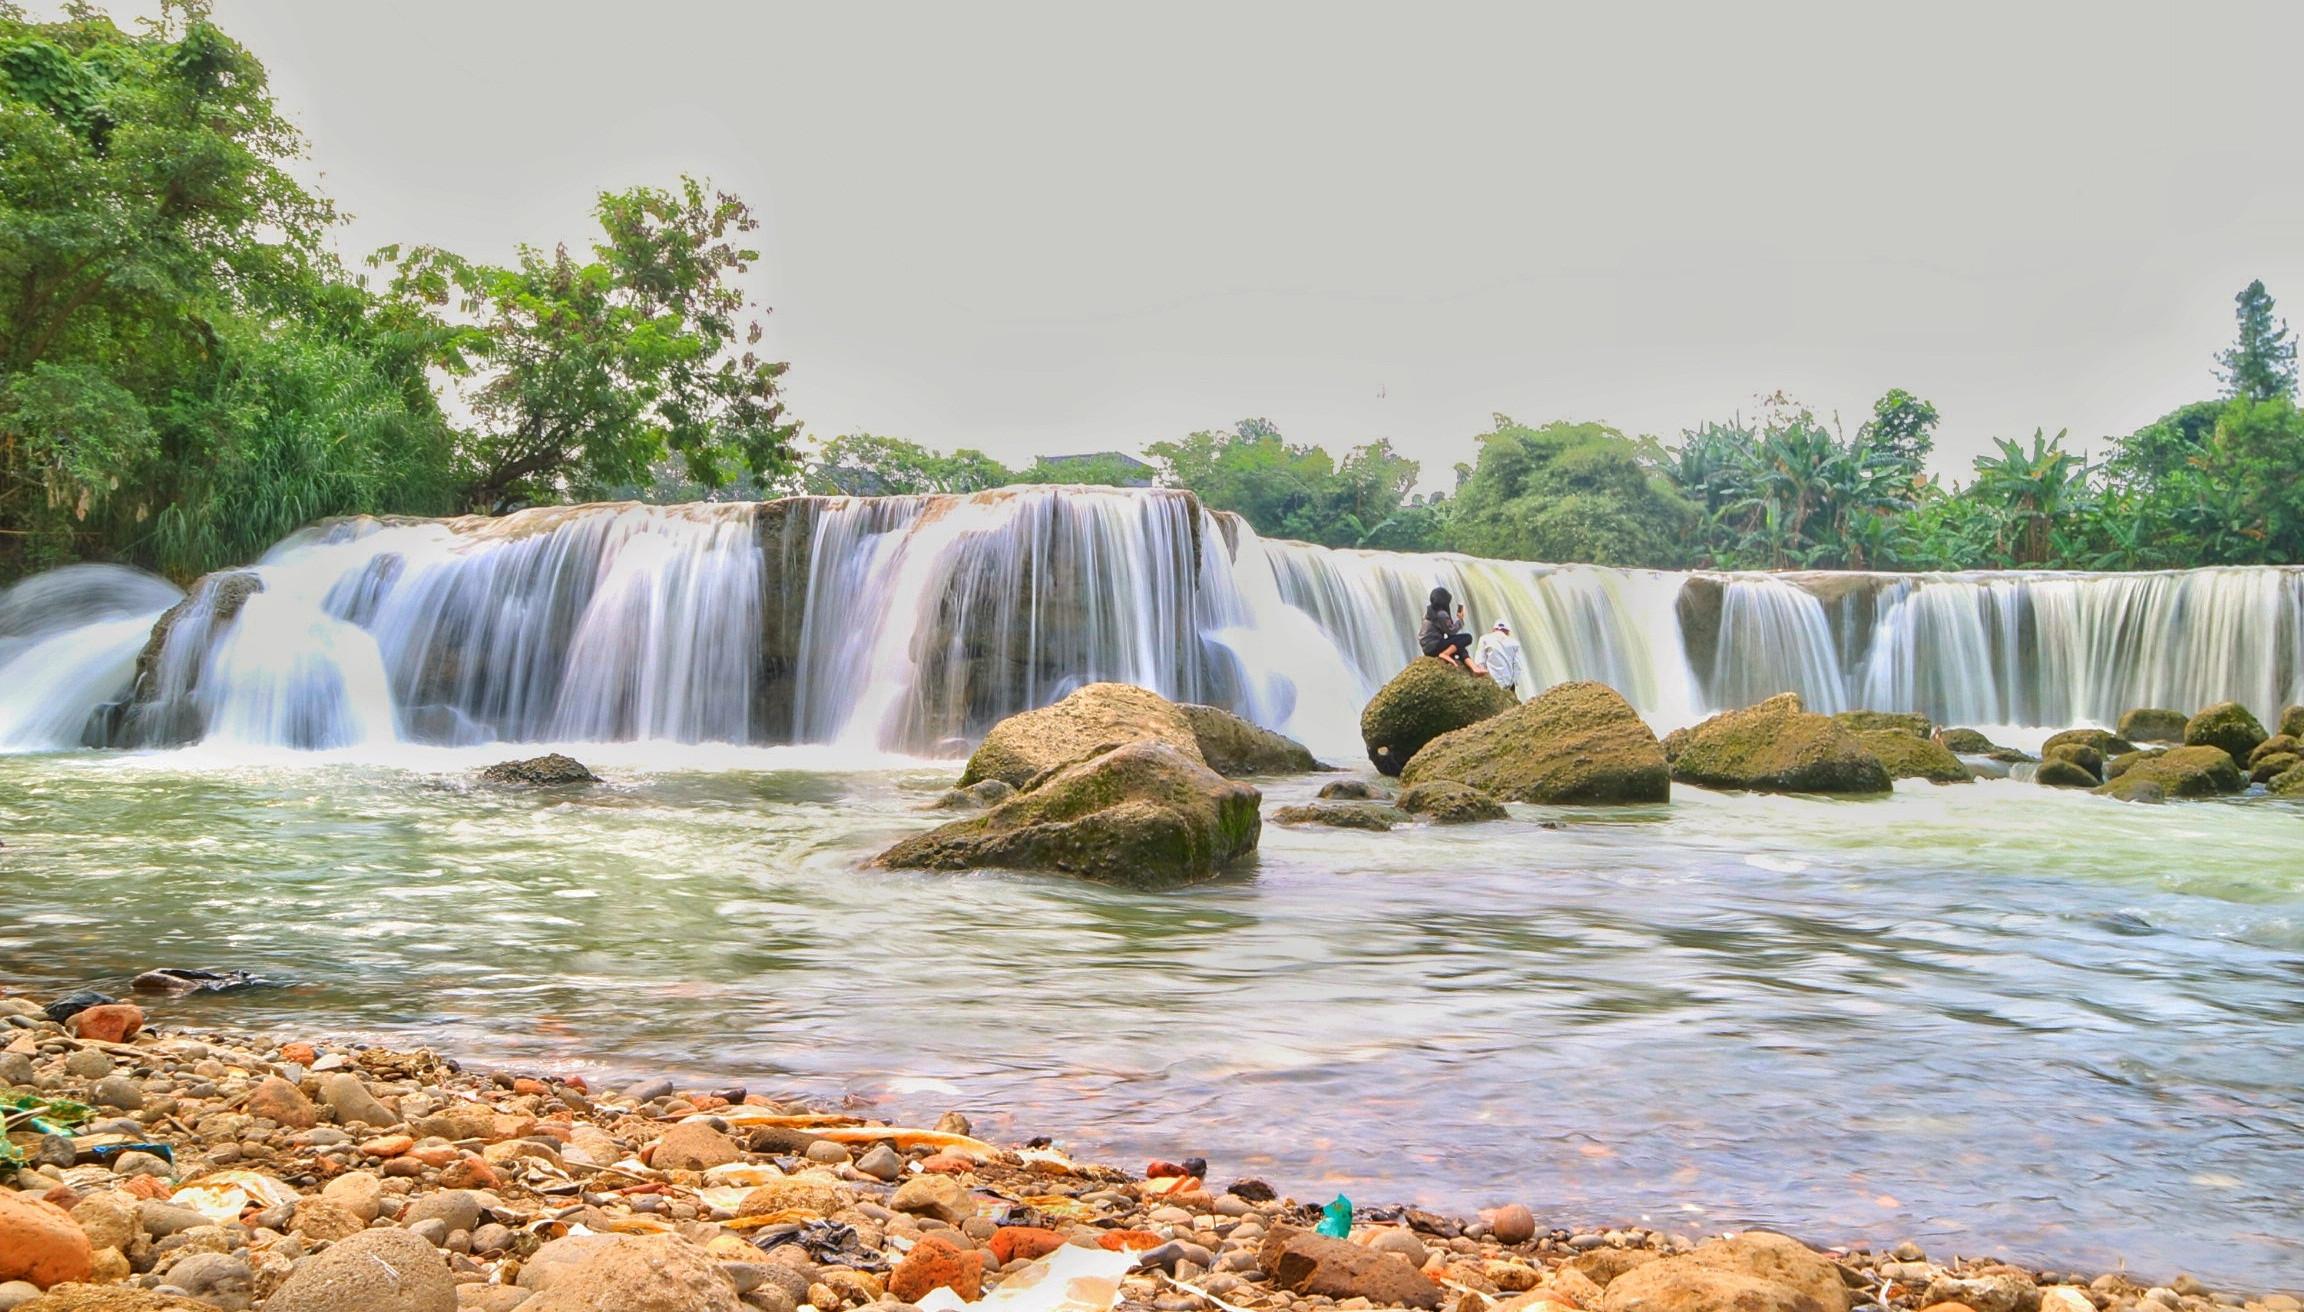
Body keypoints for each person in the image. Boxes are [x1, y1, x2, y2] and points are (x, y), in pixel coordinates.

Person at [1418, 586, 1482, 672]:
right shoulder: (1441, 614)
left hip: (1427, 649)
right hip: (1435, 647)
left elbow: (1448, 632)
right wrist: (1460, 620)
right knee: (1467, 638)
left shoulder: (1429, 611)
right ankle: (1445, 654)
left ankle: (1474, 668)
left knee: (1459, 646)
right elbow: (1451, 632)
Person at [1475, 620, 1522, 695]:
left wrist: (1482, 678)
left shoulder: (1484, 639)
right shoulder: (1515, 643)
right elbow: (1517, 666)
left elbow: (1479, 661)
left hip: (1491, 682)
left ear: (1493, 630)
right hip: (1507, 684)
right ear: (1507, 632)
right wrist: (1514, 682)